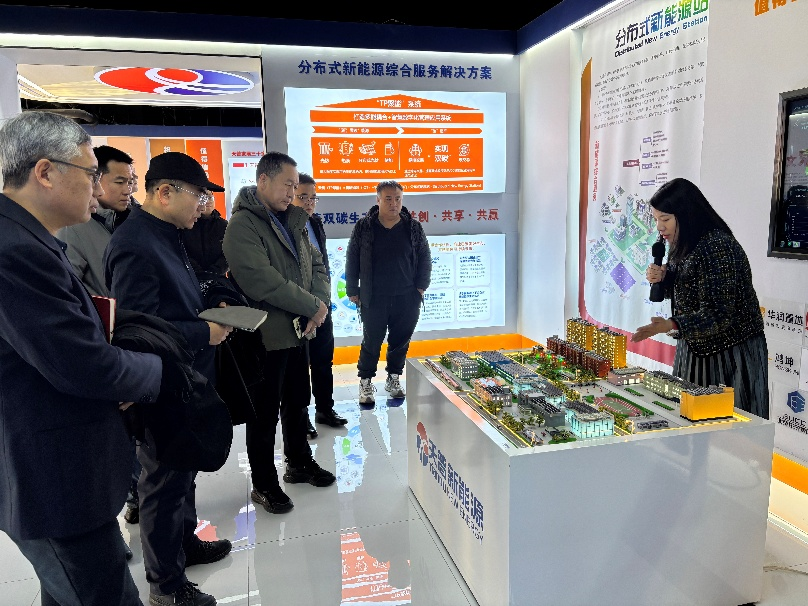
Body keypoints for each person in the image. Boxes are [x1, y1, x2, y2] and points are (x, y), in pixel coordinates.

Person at [0, 111, 162, 606]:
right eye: (91, 173)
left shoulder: (27, 238)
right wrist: (157, 370)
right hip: (52, 478)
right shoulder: (15, 250)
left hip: (59, 468)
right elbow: (84, 365)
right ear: (45, 172)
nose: (98, 187)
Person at [105, 152, 234, 606]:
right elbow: (137, 331)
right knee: (162, 482)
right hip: (163, 385)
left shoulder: (168, 233)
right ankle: (166, 585)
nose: (204, 205)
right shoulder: (134, 243)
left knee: (184, 470)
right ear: (165, 193)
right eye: (199, 195)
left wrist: (214, 301)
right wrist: (204, 332)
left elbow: (179, 296)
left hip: (187, 378)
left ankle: (185, 544)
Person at [223, 152, 336, 516]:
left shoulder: (296, 220)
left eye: (295, 185)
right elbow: (261, 281)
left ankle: (299, 463)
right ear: (263, 181)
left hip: (299, 331)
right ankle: (263, 482)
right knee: (264, 413)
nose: (292, 192)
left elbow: (318, 265)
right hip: (265, 337)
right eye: (287, 184)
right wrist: (312, 306)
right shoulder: (242, 225)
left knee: (298, 400)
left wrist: (318, 305)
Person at [631, 177, 768, 418]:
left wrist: (671, 324)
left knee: (724, 424)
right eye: (656, 219)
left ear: (686, 215)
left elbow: (719, 314)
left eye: (665, 219)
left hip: (729, 353)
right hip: (696, 345)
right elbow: (689, 291)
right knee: (690, 419)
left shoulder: (717, 247)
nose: (660, 227)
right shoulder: (684, 244)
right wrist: (665, 280)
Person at [345, 180, 431, 405]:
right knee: (371, 341)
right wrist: (352, 288)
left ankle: (393, 378)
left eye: (398, 199)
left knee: (400, 341)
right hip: (374, 297)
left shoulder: (413, 227)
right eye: (388, 199)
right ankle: (365, 381)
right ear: (378, 200)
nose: (394, 203)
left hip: (407, 296)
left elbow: (425, 257)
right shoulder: (364, 226)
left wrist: (421, 286)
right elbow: (352, 257)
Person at [292, 173, 348, 437]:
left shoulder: (315, 223)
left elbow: (322, 267)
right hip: (298, 308)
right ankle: (300, 418)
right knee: (299, 368)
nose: (309, 203)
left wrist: (323, 302)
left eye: (313, 198)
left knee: (323, 361)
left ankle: (325, 409)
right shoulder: (284, 228)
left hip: (322, 306)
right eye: (302, 196)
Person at [57, 145, 134, 297]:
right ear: (95, 179)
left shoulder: (135, 221)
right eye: (120, 182)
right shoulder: (72, 227)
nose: (127, 191)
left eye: (130, 182)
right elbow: (67, 290)